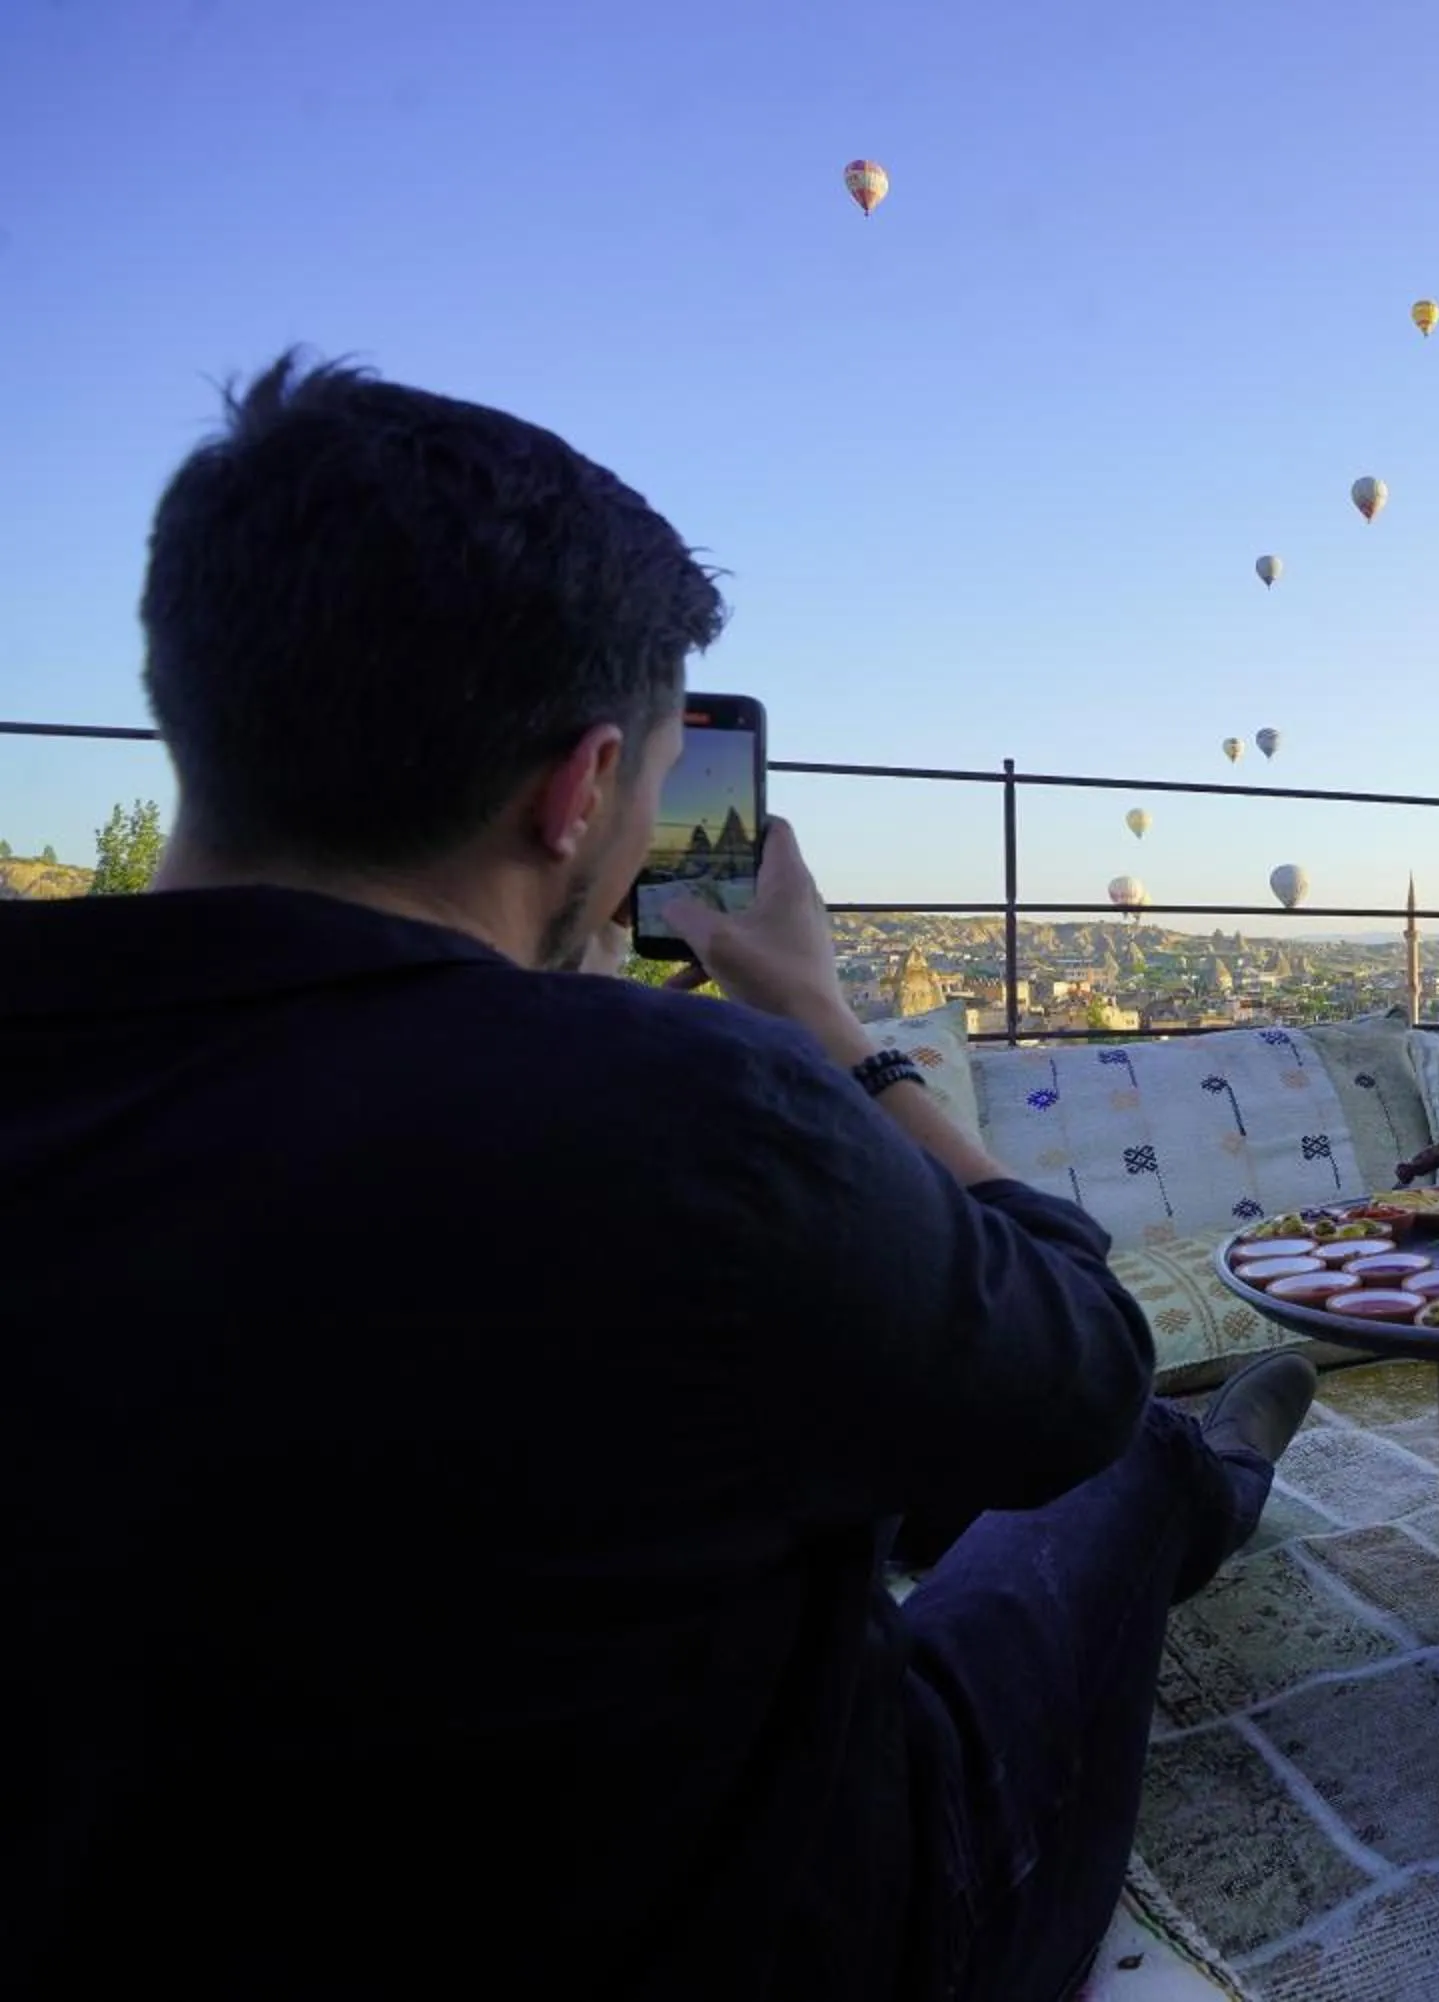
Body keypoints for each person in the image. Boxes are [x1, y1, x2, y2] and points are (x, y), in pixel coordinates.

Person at [0, 352, 1316, 2001]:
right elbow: (1081, 1348)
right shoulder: (683, 1122)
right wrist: (831, 1023)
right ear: (579, 790)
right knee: (1109, 1456)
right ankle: (1195, 1485)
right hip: (813, 1933)